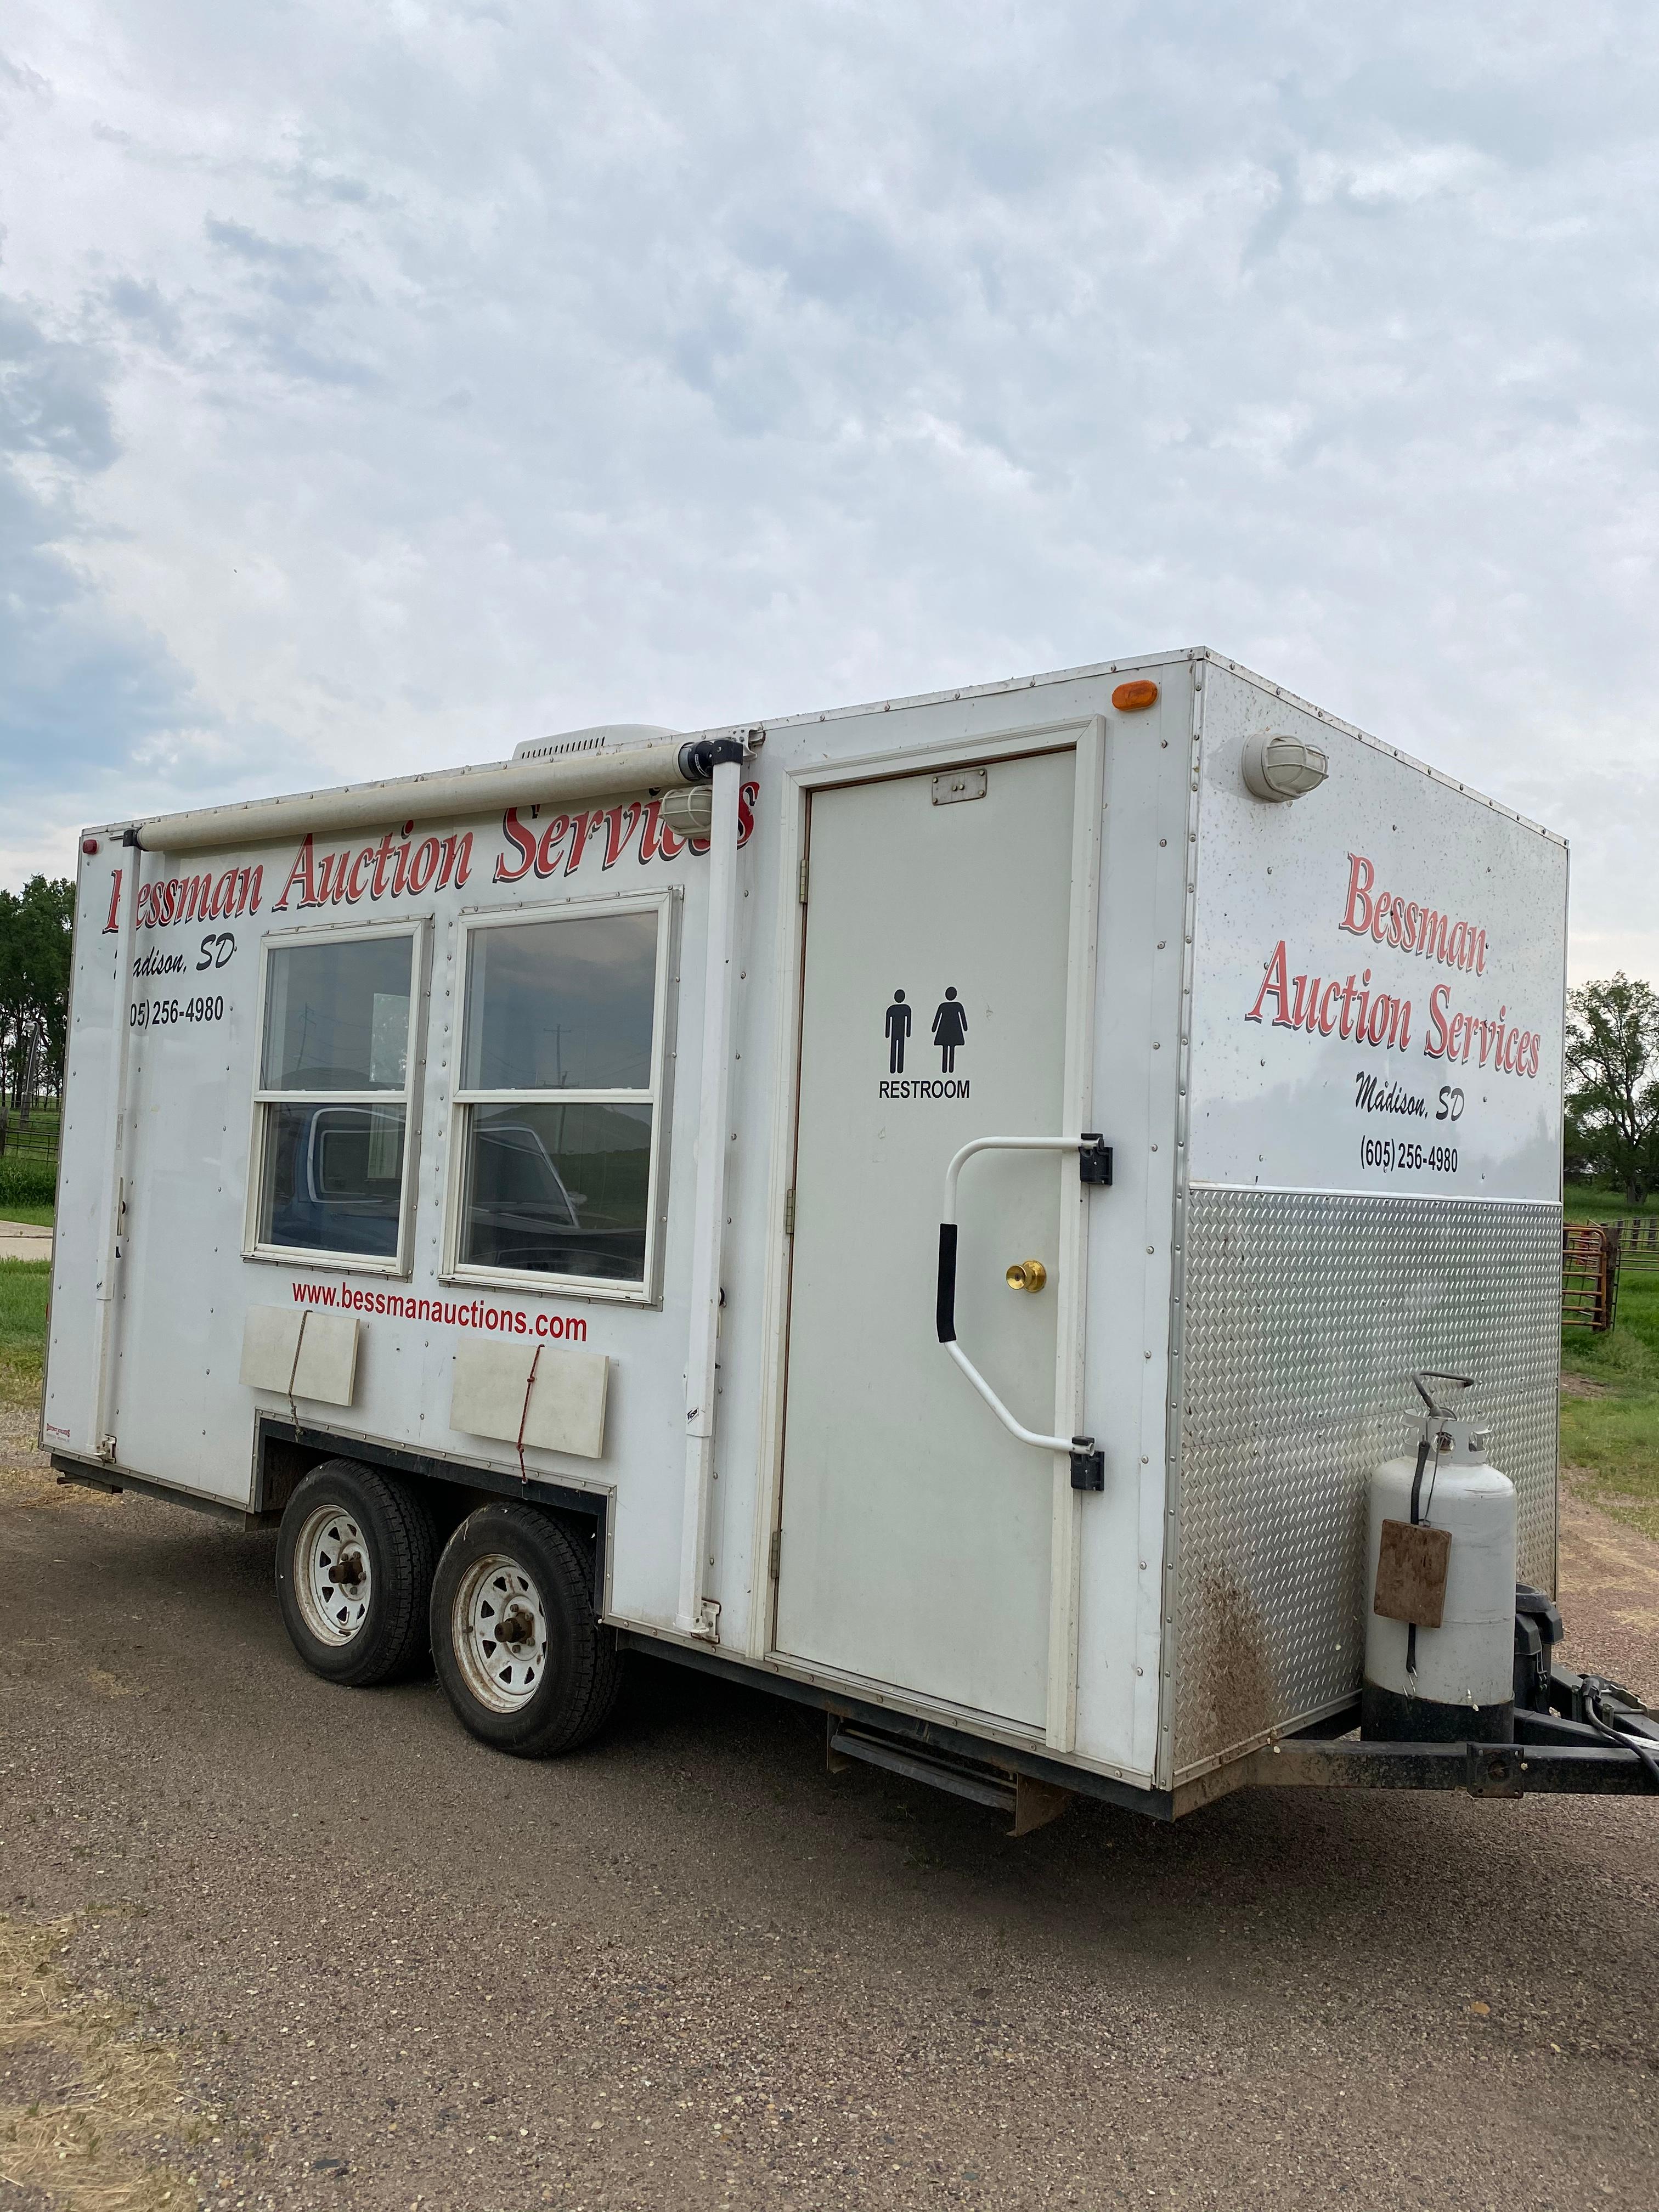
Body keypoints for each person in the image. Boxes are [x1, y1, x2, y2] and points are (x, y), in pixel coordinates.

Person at [932, 988, 967, 1073]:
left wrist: (934, 1028)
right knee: (950, 1048)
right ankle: (948, 1069)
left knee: (948, 1048)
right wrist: (965, 1028)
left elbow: (937, 1019)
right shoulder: (956, 1006)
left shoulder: (944, 1006)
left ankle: (948, 1069)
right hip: (952, 1031)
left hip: (945, 1031)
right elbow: (963, 1019)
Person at [884, 990, 912, 1074]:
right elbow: (888, 1022)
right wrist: (908, 1033)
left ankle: (898, 1069)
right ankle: (896, 1069)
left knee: (897, 1048)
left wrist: (888, 1033)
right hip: (898, 1033)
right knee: (897, 1048)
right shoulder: (904, 1009)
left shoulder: (894, 1009)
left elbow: (908, 1022)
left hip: (897, 1033)